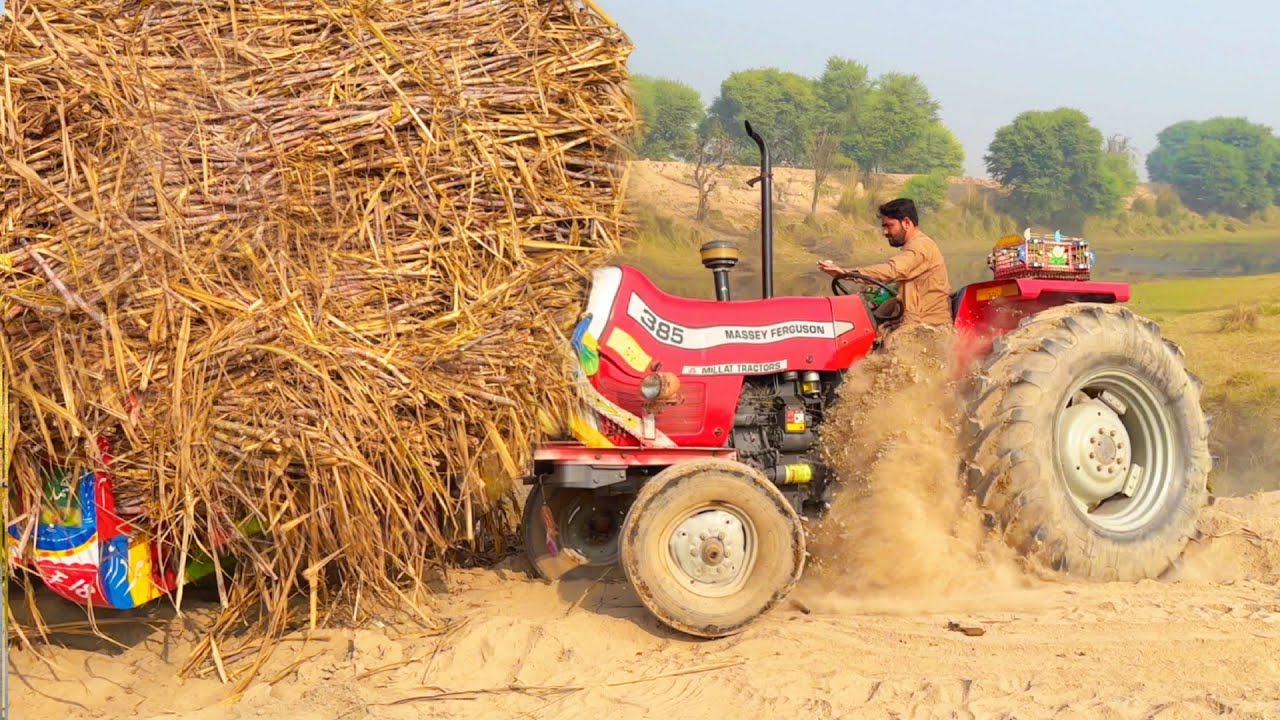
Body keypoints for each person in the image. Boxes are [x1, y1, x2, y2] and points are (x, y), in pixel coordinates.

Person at [818, 198, 952, 340]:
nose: (885, 232)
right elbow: (895, 283)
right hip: (913, 322)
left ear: (906, 223)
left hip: (926, 327)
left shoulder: (921, 247)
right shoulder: (915, 247)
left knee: (880, 348)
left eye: (889, 226)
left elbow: (893, 270)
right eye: (883, 226)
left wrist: (848, 273)